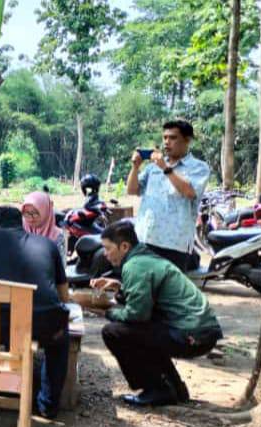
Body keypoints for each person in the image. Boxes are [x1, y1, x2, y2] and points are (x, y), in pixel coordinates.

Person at [95, 221, 223, 407]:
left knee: (114, 332)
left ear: (124, 246)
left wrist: (107, 312)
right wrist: (119, 287)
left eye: (108, 248)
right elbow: (145, 301)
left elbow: (137, 315)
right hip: (202, 332)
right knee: (147, 332)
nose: (105, 254)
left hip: (191, 335)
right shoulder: (145, 258)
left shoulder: (134, 265)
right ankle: (175, 389)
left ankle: (156, 390)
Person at [0, 206, 71, 419]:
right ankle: (48, 404)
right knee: (59, 342)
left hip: (1, 324)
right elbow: (64, 295)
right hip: (45, 323)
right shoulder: (48, 244)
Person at [127, 120, 210, 271]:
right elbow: (132, 190)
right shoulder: (153, 167)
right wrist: (135, 166)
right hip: (145, 239)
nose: (167, 142)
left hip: (174, 245)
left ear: (187, 140)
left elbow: (189, 192)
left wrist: (166, 168)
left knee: (169, 286)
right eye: (165, 137)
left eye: (173, 138)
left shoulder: (199, 167)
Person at [22, 191, 66, 266]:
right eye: (26, 213)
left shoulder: (57, 236)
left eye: (35, 213)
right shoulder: (20, 232)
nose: (30, 218)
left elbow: (60, 266)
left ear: (45, 212)